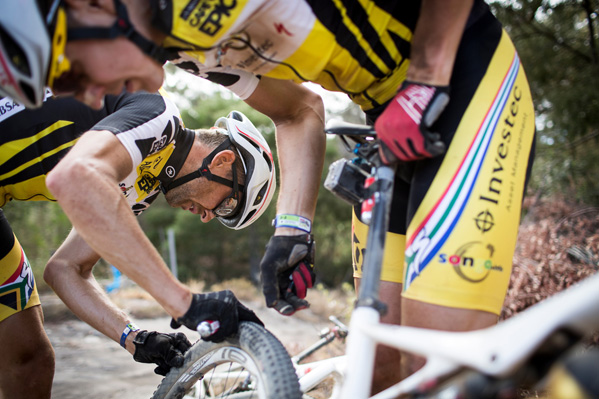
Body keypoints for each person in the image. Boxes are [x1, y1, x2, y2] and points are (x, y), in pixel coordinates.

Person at [1, 0, 537, 392]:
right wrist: (290, 232)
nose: (90, 97)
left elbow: (301, 109)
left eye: (78, 74)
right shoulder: (180, 57)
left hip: (458, 81)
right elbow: (303, 107)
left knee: (434, 370)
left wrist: (425, 77)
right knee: (379, 371)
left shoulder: (173, 65)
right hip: (387, 118)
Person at [0, 89, 275, 399]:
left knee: (30, 361)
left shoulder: (143, 189)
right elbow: (79, 174)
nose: (208, 217)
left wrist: (135, 338)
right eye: (225, 205)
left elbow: (67, 268)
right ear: (222, 161)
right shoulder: (160, 117)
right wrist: (183, 302)